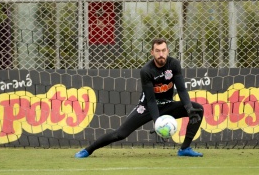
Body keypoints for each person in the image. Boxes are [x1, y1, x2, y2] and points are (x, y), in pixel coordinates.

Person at [75, 38, 204, 158]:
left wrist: (188, 108)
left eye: (164, 50)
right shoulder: (146, 71)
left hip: (167, 104)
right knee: (120, 134)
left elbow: (181, 89)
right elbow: (151, 100)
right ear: (152, 52)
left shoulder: (174, 64)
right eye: (157, 51)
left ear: (168, 51)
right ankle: (88, 150)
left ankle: (185, 149)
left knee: (198, 109)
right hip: (147, 107)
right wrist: (157, 122)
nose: (161, 54)